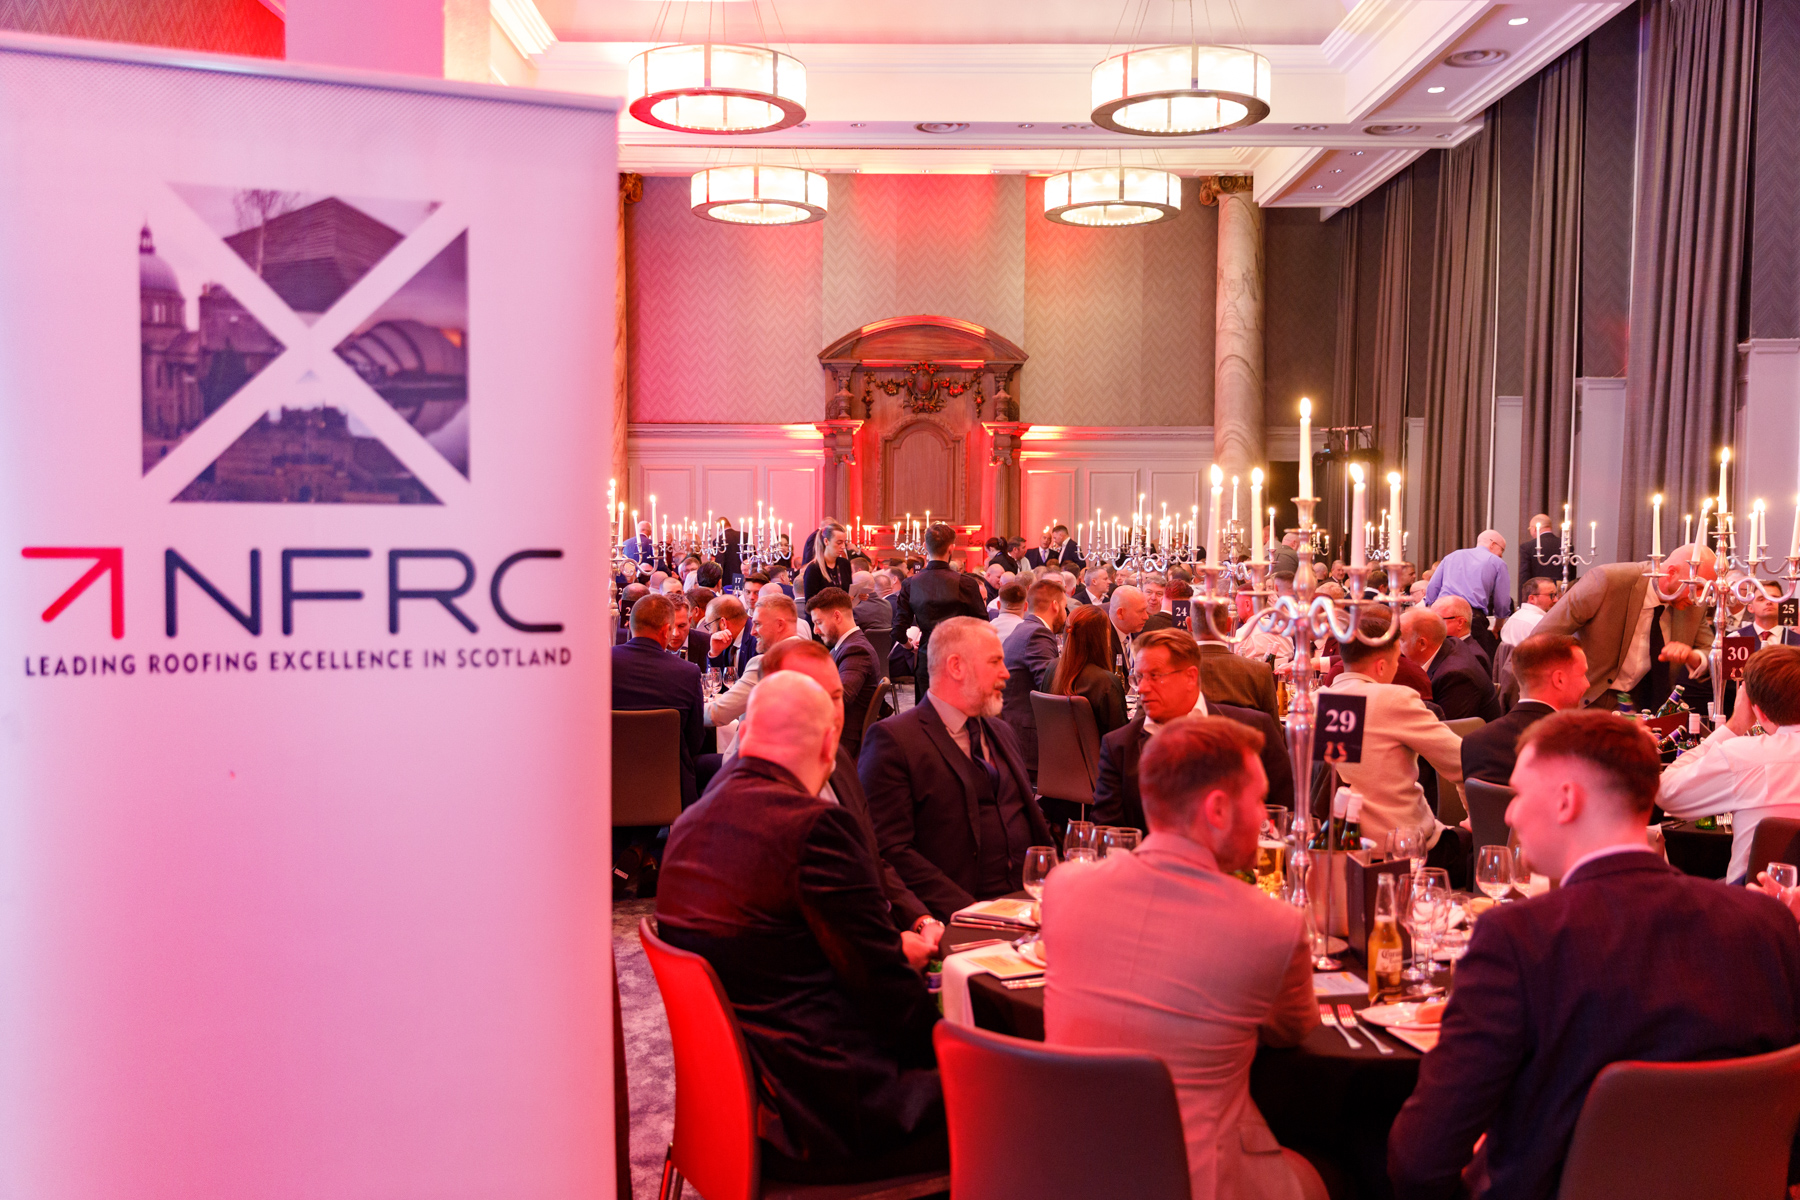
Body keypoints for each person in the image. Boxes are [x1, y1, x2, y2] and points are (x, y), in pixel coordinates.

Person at [1388, 711, 1800, 1200]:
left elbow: (1421, 1160)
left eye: (1519, 793)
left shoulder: (1517, 939)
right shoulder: (1767, 924)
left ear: (1566, 800)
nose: (1511, 814)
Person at [654, 671, 947, 1185]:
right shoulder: (814, 828)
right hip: (826, 1116)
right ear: (830, 743)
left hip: (732, 1107)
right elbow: (886, 994)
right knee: (1020, 1089)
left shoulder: (688, 826)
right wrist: (953, 1047)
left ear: (746, 732)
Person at [1044, 716, 1320, 1200]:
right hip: (1196, 1181)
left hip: (1067, 1167)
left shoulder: (1063, 888)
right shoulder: (1272, 926)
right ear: (1218, 810)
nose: (1266, 820)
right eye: (1259, 801)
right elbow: (1293, 1030)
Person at [749, 639, 940, 962]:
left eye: (836, 696)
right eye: (812, 698)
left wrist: (920, 919)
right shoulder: (760, 799)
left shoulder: (840, 760)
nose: (830, 712)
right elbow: (786, 928)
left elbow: (872, 858)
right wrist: (889, 949)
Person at [859, 617, 1054, 921]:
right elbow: (888, 850)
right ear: (956, 667)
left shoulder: (1000, 731)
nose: (1006, 673)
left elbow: (1027, 815)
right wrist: (969, 911)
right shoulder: (895, 741)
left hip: (1031, 905)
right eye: (995, 662)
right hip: (957, 915)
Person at [1092, 630, 1293, 833]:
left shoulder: (1253, 731)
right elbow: (1107, 834)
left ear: (1190, 677)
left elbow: (1286, 814)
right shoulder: (1119, 747)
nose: (1142, 688)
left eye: (1154, 676)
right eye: (1139, 677)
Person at [1324, 608, 1469, 882]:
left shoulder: (1317, 701)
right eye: (1396, 660)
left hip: (1333, 851)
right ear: (1381, 665)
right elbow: (1462, 762)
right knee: (1475, 848)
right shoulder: (1392, 700)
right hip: (1401, 851)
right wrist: (1474, 818)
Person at [1659, 645, 1800, 883]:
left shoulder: (1744, 756)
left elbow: (1666, 792)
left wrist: (1735, 726)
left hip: (1755, 897)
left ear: (1759, 712)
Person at [1534, 544, 1716, 710]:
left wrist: (1693, 657)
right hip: (1587, 698)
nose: (1700, 598)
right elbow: (1540, 639)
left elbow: (1714, 654)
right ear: (1671, 573)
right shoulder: (1608, 581)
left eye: (1707, 589)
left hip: (1642, 706)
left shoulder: (1694, 604)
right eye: (1699, 587)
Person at [614, 593, 707, 808]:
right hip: (669, 789)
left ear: (630, 626)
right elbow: (695, 741)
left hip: (607, 785)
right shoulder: (687, 673)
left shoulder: (601, 663)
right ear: (666, 630)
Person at [1460, 633, 1587, 785]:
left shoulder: (1473, 743)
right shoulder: (1577, 746)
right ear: (1559, 679)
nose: (1587, 684)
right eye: (1583, 674)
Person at [894, 523, 988, 701]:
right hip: (958, 658)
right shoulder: (966, 583)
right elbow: (983, 625)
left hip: (927, 656)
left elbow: (898, 630)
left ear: (925, 546)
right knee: (957, 711)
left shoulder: (910, 584)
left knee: (926, 712)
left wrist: (909, 646)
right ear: (952, 548)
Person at [706, 591, 805, 739]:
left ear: (779, 625)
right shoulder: (816, 657)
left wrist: (685, 709)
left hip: (761, 747)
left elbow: (717, 714)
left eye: (757, 624)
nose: (752, 632)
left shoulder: (764, 663)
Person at [999, 578, 1067, 781]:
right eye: (1065, 607)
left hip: (1013, 729)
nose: (1066, 613)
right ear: (1055, 605)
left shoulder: (1024, 628)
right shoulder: (1038, 633)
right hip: (1027, 738)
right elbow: (1050, 687)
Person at [809, 587, 884, 761]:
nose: (815, 630)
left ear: (837, 616)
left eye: (819, 622)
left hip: (843, 742)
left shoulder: (855, 649)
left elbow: (841, 697)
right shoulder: (845, 646)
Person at [1401, 606, 1501, 723]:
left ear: (1422, 644)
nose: (1395, 646)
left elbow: (1448, 729)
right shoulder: (1449, 643)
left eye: (1400, 640)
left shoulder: (1455, 676)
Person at [1193, 600, 1281, 723]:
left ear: (1189, 624)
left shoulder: (1176, 671)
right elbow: (1273, 730)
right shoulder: (1260, 672)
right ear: (1229, 624)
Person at [1425, 530, 1512, 652]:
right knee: (1475, 660)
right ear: (1492, 544)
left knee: (1440, 657)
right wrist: (1499, 624)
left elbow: (1432, 588)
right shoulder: (1497, 563)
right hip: (1470, 619)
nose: (1501, 555)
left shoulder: (1451, 556)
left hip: (1441, 616)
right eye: (1502, 550)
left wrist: (1432, 611)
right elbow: (1502, 602)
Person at [1051, 604, 1130, 738]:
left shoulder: (1051, 668)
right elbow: (1120, 738)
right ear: (1103, 636)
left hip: (1054, 750)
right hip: (1100, 751)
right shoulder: (1106, 682)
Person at [1429, 595, 1493, 675]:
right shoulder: (1450, 648)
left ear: (1460, 623)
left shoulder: (1473, 656)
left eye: (1438, 620)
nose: (1431, 626)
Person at [1499, 576, 1560, 648]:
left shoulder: (1511, 620)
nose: (1556, 600)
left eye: (1556, 595)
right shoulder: (1542, 623)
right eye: (1551, 595)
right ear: (1532, 599)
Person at [802, 520, 854, 602]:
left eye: (844, 542)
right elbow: (810, 603)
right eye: (839, 543)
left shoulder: (845, 564)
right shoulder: (813, 568)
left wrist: (857, 596)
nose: (843, 546)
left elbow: (848, 592)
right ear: (826, 541)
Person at [704, 594, 751, 678]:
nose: (710, 632)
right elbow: (714, 681)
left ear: (723, 623)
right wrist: (715, 654)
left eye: (710, 625)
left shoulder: (756, 641)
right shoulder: (725, 639)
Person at [1107, 585, 1149, 679]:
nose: (1146, 617)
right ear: (1120, 613)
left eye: (1146, 610)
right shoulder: (1103, 640)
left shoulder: (1142, 631)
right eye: (1140, 611)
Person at [1519, 512, 1561, 595]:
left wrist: (1523, 600)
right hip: (1561, 595)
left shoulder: (1527, 547)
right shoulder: (1566, 545)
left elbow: (1524, 577)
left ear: (1534, 528)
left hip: (1538, 595)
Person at [664, 592, 710, 666]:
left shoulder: (706, 643)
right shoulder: (650, 646)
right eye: (670, 627)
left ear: (689, 621)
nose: (675, 633)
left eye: (681, 626)